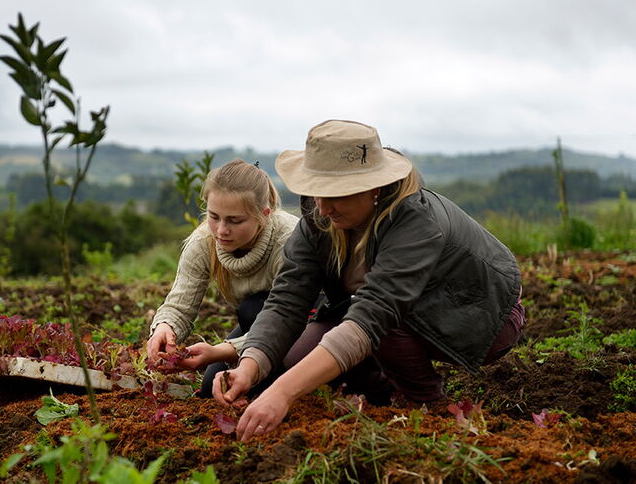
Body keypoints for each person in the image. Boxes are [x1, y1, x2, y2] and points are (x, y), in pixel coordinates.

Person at [213, 120, 525, 440]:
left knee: (376, 331)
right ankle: (388, 387)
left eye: (336, 195)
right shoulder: (318, 214)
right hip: (387, 314)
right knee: (297, 360)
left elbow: (374, 314)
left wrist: (282, 393)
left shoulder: (415, 219)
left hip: (480, 317)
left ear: (374, 187)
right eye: (316, 191)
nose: (323, 207)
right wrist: (249, 366)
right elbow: (288, 298)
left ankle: (429, 407)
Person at [146, 158, 299, 397]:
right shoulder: (204, 241)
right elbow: (179, 304)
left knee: (252, 309)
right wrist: (165, 328)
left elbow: (295, 320)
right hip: (255, 325)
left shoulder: (289, 241)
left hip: (304, 326)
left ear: (264, 215)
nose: (221, 230)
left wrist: (223, 351)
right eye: (214, 216)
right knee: (211, 388)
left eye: (235, 220)